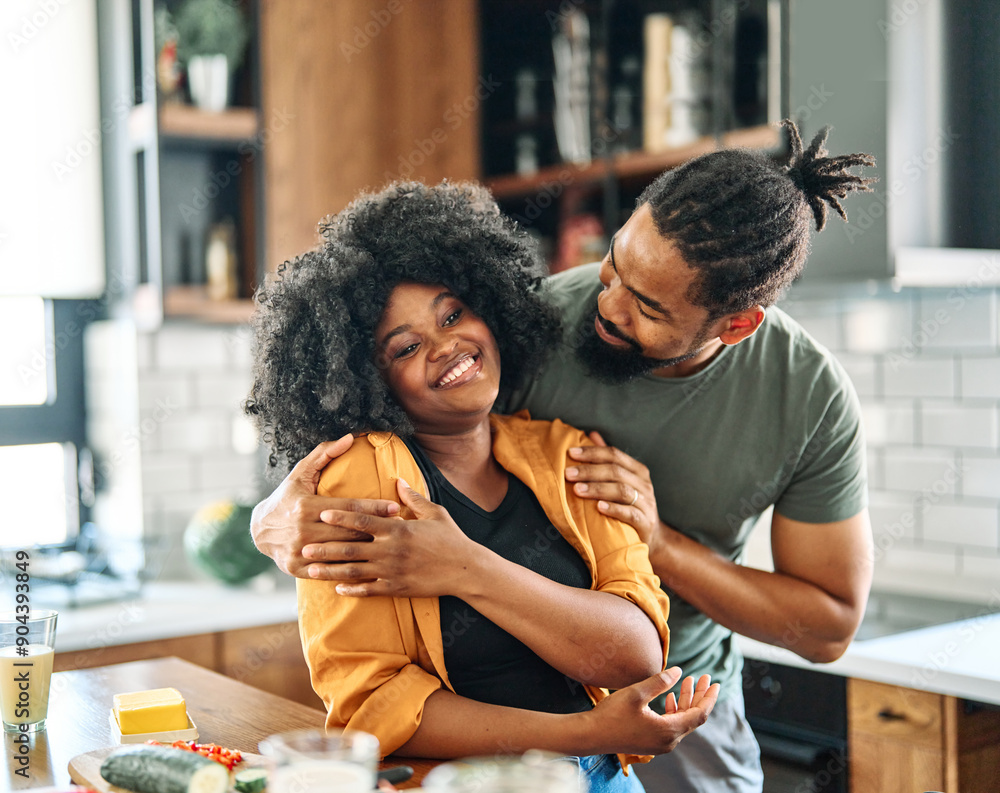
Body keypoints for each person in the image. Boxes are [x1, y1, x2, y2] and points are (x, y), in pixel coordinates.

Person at [250, 120, 876, 792]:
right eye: (614, 263)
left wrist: (657, 543)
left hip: (684, 692)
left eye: (644, 304)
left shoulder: (805, 395)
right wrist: (270, 518)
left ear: (736, 324)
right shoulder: (534, 323)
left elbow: (826, 627)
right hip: (502, 752)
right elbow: (381, 420)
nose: (606, 303)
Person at [243, 180, 720, 792]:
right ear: (369, 380)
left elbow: (634, 655)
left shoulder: (570, 453)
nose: (447, 347)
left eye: (453, 314)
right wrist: (589, 732)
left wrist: (464, 565)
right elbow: (376, 707)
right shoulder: (363, 477)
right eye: (408, 346)